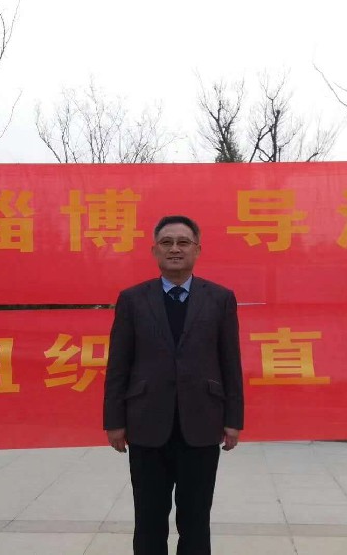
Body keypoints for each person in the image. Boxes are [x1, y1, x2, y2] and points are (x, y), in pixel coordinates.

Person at [103, 215, 244, 555]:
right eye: (166, 242)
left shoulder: (220, 298)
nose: (175, 249)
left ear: (197, 249)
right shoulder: (133, 299)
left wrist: (233, 419)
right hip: (147, 423)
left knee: (196, 519)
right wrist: (114, 421)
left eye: (183, 242)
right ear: (154, 250)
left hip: (202, 422)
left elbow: (230, 362)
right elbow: (119, 365)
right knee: (149, 518)